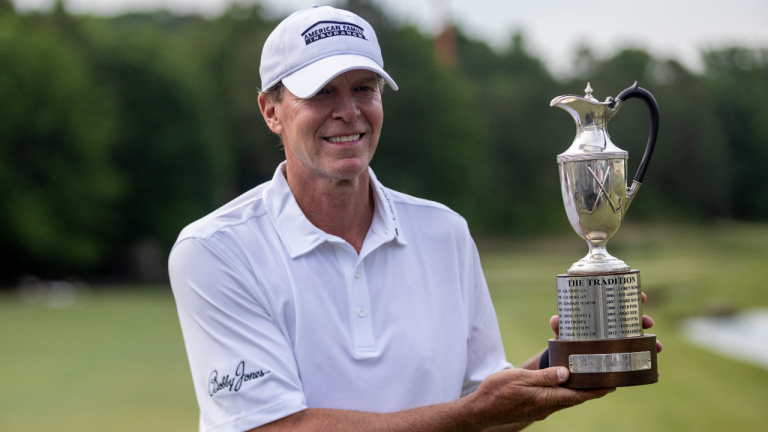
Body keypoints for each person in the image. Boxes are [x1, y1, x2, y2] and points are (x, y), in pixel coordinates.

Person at [169, 6, 662, 432]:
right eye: (321, 93)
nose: (349, 112)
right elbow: (274, 427)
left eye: (364, 88)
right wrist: (476, 411)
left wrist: (571, 359)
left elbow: (485, 407)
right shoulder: (215, 249)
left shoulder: (445, 231)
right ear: (271, 111)